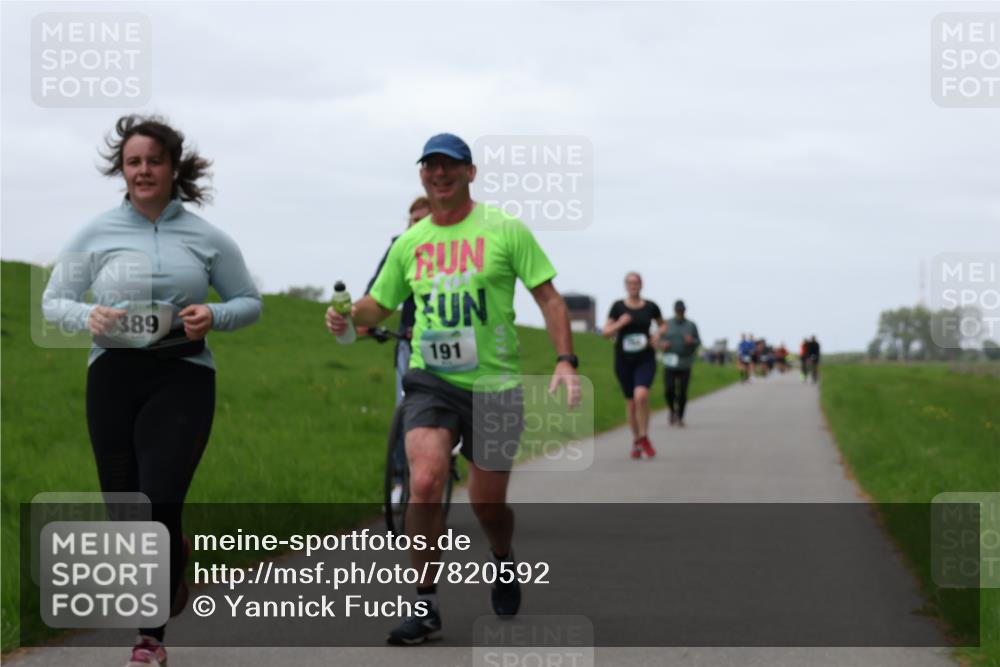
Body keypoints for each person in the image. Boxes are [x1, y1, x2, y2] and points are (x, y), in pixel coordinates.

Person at [326, 133, 579, 645]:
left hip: (496, 384)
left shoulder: (505, 230)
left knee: (488, 506)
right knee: (424, 481)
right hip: (430, 379)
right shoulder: (410, 244)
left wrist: (565, 360)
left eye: (450, 166)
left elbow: (550, 300)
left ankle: (503, 561)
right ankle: (424, 604)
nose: (439, 175)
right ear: (422, 175)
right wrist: (349, 316)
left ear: (470, 172)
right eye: (430, 167)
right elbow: (380, 304)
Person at [42, 115, 262, 667]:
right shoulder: (95, 233)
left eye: (154, 161)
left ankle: (150, 639)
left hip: (183, 377)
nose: (144, 171)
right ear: (123, 168)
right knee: (126, 511)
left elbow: (249, 301)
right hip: (113, 377)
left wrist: (214, 313)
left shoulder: (206, 237)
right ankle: (173, 560)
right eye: (134, 161)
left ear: (173, 168)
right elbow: (51, 302)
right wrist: (88, 314)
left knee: (159, 498)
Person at [366, 196, 432, 507]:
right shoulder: (400, 247)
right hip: (408, 341)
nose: (417, 227)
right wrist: (363, 321)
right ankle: (398, 482)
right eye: (413, 221)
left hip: (444, 339)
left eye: (424, 220)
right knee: (404, 410)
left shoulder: (445, 248)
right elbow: (377, 289)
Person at [602, 272, 663, 458]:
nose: (633, 286)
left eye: (636, 283)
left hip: (645, 359)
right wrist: (620, 323)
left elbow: (663, 324)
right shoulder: (618, 307)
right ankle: (637, 441)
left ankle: (644, 436)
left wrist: (658, 335)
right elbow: (605, 332)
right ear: (625, 286)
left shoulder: (651, 306)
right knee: (630, 403)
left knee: (641, 396)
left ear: (641, 285)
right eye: (630, 283)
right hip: (624, 360)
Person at [655, 300, 701, 426]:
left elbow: (698, 341)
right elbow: (656, 340)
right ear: (674, 310)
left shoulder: (691, 325)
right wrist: (662, 344)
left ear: (684, 310)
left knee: (683, 391)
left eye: (682, 310)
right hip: (670, 361)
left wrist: (692, 341)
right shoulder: (666, 324)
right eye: (678, 310)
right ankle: (672, 410)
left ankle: (680, 416)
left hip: (685, 362)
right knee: (669, 389)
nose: (680, 312)